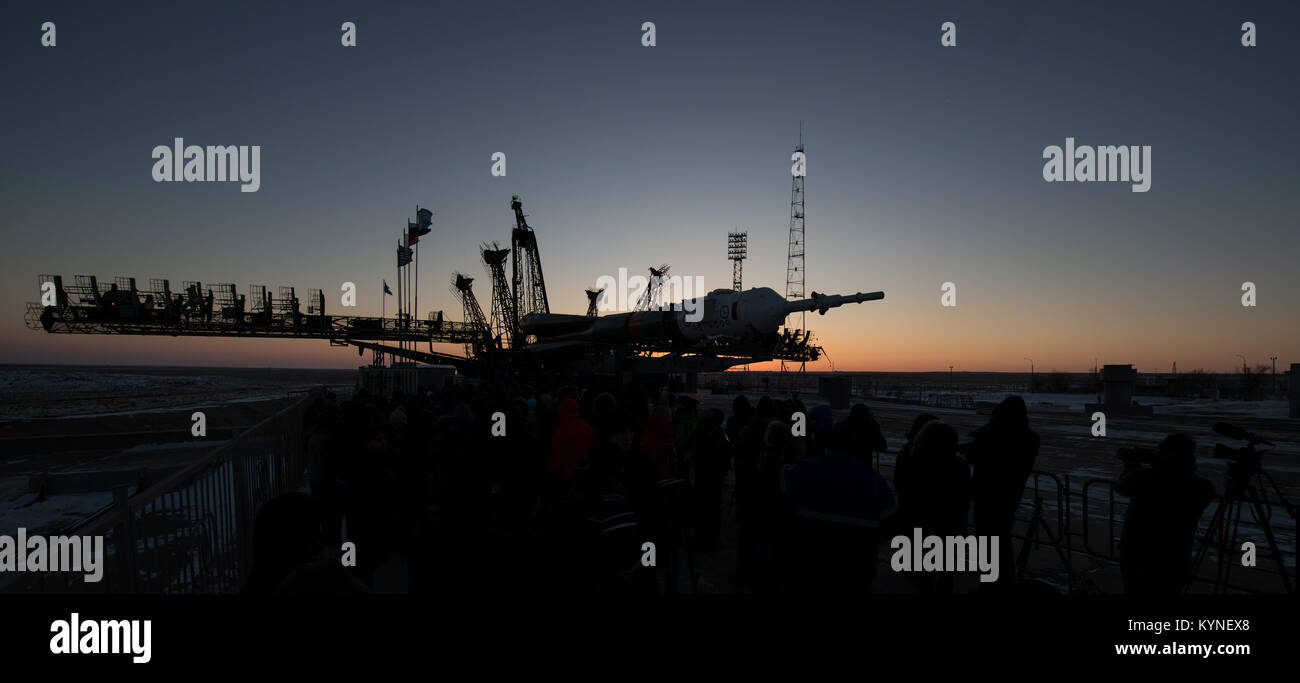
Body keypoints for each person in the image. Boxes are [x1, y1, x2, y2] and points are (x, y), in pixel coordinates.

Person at [1115, 433, 1215, 594]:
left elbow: (1122, 487)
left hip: (1138, 551)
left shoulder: (1143, 476)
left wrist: (1131, 466)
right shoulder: (1203, 487)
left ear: (1164, 452)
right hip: (1176, 554)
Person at [962, 395, 1038, 588]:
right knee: (1001, 539)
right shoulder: (1028, 437)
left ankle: (993, 584)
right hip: (1011, 494)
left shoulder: (994, 435)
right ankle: (1001, 582)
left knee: (989, 541)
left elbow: (979, 455)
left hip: (988, 494)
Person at [550, 398, 595, 480]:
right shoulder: (587, 426)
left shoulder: (561, 430)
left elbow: (557, 454)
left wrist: (554, 472)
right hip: (585, 473)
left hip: (566, 475)